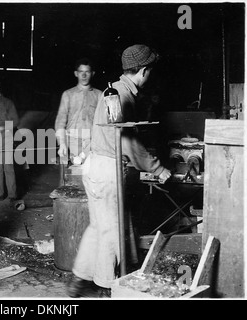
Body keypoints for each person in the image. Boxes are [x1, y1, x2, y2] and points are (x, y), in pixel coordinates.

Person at [66, 44, 172, 298]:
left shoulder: (111, 91)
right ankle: (105, 286)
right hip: (106, 169)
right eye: (150, 71)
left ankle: (79, 279)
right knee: (112, 232)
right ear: (144, 71)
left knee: (98, 227)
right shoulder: (122, 97)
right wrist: (157, 168)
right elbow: (127, 141)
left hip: (95, 165)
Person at [55, 58, 102, 166]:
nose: (84, 75)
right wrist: (62, 143)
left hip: (93, 142)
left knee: (91, 176)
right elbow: (60, 122)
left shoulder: (99, 95)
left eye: (87, 72)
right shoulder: (68, 94)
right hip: (72, 141)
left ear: (92, 73)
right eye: (81, 72)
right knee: (74, 177)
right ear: (76, 73)